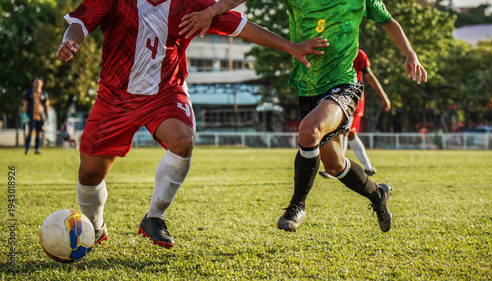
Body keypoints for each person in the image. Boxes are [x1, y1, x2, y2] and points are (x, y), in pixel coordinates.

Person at [56, 0, 328, 249]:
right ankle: (94, 226)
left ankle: (154, 217)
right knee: (90, 174)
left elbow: (241, 26)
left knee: (182, 139)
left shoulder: (190, 4)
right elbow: (80, 23)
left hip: (165, 92)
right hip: (115, 97)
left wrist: (291, 47)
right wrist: (71, 42)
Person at [180, 0, 427, 233]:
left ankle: (296, 206)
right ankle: (378, 195)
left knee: (309, 131)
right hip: (308, 86)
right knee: (335, 165)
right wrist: (212, 11)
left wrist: (410, 54)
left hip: (344, 85)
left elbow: (388, 21)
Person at [319, 49, 390, 178]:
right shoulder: (337, 51)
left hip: (353, 100)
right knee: (351, 135)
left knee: (344, 133)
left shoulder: (358, 54)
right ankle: (368, 167)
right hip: (340, 97)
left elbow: (369, 75)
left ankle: (337, 168)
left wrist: (383, 95)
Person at [23, 77, 50, 155]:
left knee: (39, 133)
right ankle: (27, 149)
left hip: (40, 116)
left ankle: (36, 149)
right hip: (31, 115)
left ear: (42, 84)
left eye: (38, 82)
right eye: (35, 82)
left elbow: (46, 105)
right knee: (30, 132)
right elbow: (25, 103)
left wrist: (47, 115)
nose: (37, 84)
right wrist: (24, 114)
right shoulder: (28, 93)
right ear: (33, 83)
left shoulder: (44, 94)